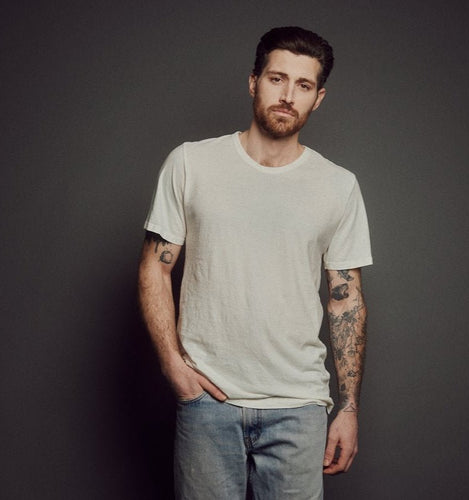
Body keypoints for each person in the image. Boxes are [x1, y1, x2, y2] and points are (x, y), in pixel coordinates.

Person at [138, 26, 372, 500]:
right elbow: (154, 267)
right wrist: (173, 366)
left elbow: (345, 300)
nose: (287, 95)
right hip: (207, 402)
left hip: (300, 406)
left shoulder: (338, 185)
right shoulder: (191, 163)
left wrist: (348, 408)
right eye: (276, 78)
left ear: (318, 98)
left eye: (303, 85)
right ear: (253, 82)